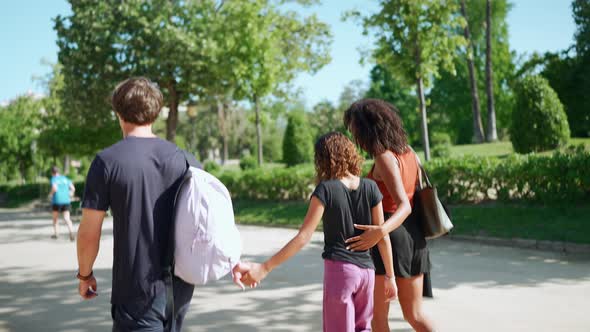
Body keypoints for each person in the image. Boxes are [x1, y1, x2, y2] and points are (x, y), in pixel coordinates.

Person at [76, 77, 250, 331]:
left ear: (118, 112)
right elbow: (211, 219)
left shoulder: (107, 162)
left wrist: (85, 274)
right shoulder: (185, 159)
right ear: (155, 113)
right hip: (179, 290)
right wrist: (233, 261)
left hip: (136, 291)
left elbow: (89, 232)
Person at [242, 132, 397, 332]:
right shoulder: (371, 187)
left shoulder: (326, 189)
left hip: (341, 272)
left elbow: (303, 236)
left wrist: (265, 267)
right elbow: (382, 234)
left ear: (323, 160)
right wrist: (390, 277)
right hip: (367, 273)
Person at [342, 99, 435, 332]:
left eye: (354, 128)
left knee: (378, 319)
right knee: (414, 315)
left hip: (388, 239)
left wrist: (380, 231)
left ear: (367, 128)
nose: (354, 135)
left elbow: (404, 205)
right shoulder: (409, 152)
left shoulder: (383, 156)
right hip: (414, 236)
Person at [49, 166, 75, 241]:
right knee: (67, 218)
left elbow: (55, 188)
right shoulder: (65, 178)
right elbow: (73, 188)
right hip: (66, 200)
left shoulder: (53, 179)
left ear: (52, 173)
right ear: (58, 172)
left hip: (57, 201)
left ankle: (56, 234)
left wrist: (50, 194)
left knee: (55, 218)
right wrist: (70, 194)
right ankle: (71, 233)